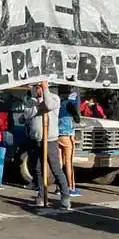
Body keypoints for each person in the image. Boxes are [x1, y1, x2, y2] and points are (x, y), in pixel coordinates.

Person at [24, 81, 70, 210]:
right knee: (37, 169)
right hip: (36, 139)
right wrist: (39, 106)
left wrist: (45, 91)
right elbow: (27, 114)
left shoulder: (54, 98)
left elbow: (49, 106)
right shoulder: (31, 101)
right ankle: (41, 195)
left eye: (39, 87)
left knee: (55, 168)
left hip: (50, 139)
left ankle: (65, 197)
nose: (36, 90)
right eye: (35, 88)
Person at [58, 87, 81, 197]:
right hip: (67, 135)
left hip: (57, 135)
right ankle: (71, 187)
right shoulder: (69, 104)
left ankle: (59, 187)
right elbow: (77, 119)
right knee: (69, 163)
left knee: (59, 163)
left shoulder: (57, 103)